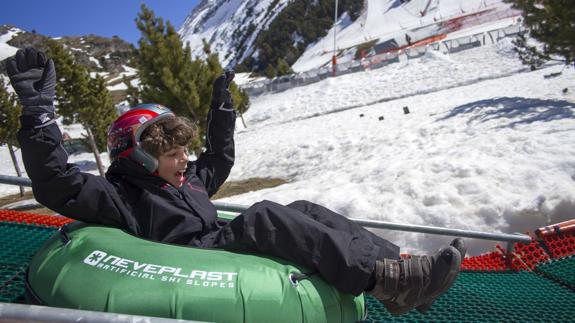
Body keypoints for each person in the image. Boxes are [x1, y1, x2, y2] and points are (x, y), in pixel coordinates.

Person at [6, 48, 466, 316]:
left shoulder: (185, 182)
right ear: (139, 156)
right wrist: (38, 114)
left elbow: (219, 159)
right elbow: (56, 182)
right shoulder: (120, 195)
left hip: (214, 243)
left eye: (184, 152)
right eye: (172, 155)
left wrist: (221, 107)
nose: (185, 162)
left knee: (302, 208)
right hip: (186, 260)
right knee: (264, 216)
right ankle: (389, 280)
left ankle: (397, 273)